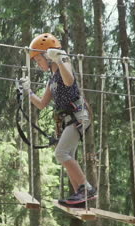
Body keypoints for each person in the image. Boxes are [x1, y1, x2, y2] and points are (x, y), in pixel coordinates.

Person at [21, 33, 97, 206]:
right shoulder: (51, 80)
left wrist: (60, 59)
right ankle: (80, 198)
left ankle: (86, 188)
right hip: (69, 120)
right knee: (67, 154)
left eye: (38, 58)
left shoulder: (64, 62)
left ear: (48, 56)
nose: (37, 63)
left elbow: (69, 81)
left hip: (78, 115)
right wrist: (28, 92)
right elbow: (41, 104)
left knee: (61, 153)